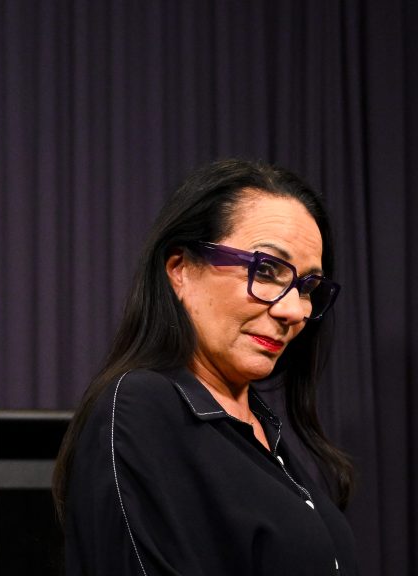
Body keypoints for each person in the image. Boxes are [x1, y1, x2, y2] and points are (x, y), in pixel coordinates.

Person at [53, 159, 358, 575]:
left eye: (308, 287)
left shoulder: (264, 429)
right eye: (265, 270)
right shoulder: (144, 407)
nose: (294, 310)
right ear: (181, 271)